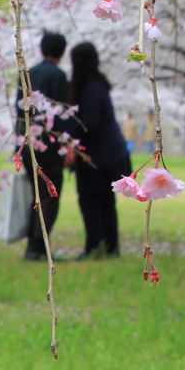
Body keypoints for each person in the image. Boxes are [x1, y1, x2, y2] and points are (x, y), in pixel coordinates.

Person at [69, 41, 131, 258]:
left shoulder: (90, 89)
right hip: (110, 153)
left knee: (91, 201)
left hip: (97, 156)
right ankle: (110, 247)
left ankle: (95, 246)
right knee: (105, 202)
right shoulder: (97, 85)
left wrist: (68, 131)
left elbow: (89, 124)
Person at [15, 31, 72, 262]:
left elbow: (18, 110)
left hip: (28, 141)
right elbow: (63, 113)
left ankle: (33, 243)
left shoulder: (27, 73)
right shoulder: (58, 75)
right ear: (62, 51)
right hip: (49, 143)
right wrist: (67, 144)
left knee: (36, 194)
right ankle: (38, 246)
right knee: (50, 193)